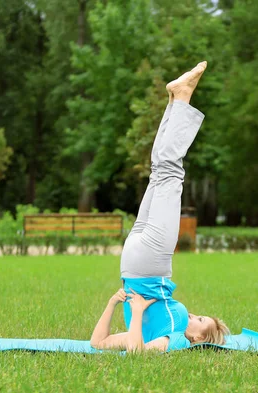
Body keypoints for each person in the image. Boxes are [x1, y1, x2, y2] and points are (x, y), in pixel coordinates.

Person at [90, 61, 229, 352]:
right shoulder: (167, 324)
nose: (193, 314)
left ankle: (182, 97)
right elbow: (101, 343)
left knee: (169, 171)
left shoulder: (178, 337)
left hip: (150, 263)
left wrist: (131, 310)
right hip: (134, 261)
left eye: (200, 320)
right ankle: (174, 100)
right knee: (160, 171)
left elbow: (135, 352)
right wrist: (119, 305)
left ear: (199, 338)